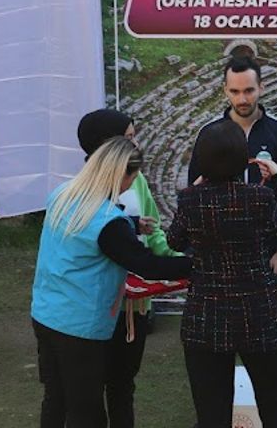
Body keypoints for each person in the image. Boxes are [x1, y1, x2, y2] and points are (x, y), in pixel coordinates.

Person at [31, 136, 192, 428]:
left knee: (56, 399)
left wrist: (131, 224)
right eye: (133, 177)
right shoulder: (109, 223)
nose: (131, 185)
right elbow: (146, 265)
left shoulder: (62, 193)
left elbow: (88, 228)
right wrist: (196, 265)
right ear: (122, 175)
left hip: (46, 314)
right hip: (79, 327)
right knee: (87, 412)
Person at [167, 120, 277, 428]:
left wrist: (194, 190)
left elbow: (174, 240)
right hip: (261, 314)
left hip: (207, 317)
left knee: (211, 414)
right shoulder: (260, 198)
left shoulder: (191, 200)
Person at [74, 109, 180, 428]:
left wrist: (172, 256)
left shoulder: (138, 179)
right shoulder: (81, 190)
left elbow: (154, 232)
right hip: (96, 308)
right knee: (88, 390)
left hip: (134, 305)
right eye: (129, 138)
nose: (135, 144)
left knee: (123, 386)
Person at [188, 54, 277, 280]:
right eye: (235, 91)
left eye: (249, 91)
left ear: (261, 88)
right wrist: (194, 251)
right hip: (219, 250)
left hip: (266, 250)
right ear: (225, 90)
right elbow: (194, 194)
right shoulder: (209, 133)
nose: (242, 99)